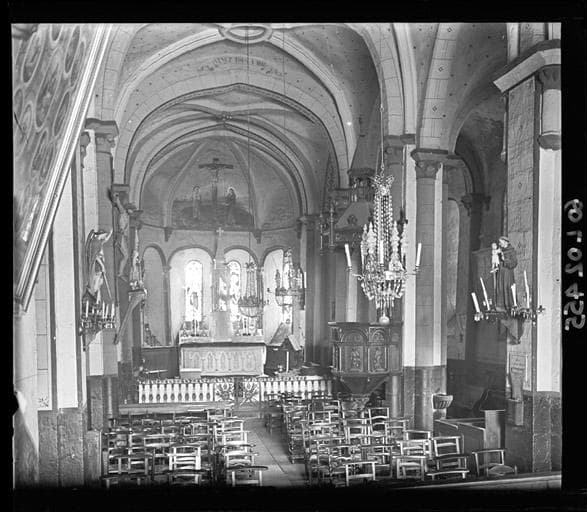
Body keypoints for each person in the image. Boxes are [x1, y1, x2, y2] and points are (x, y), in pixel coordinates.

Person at [494, 236, 518, 310]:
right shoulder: (501, 251)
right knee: (500, 289)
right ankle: (501, 307)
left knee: (507, 289)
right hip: (500, 274)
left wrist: (505, 260)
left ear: (505, 242)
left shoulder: (511, 251)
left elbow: (514, 263)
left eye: (500, 242)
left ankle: (509, 307)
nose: (499, 244)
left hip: (507, 274)